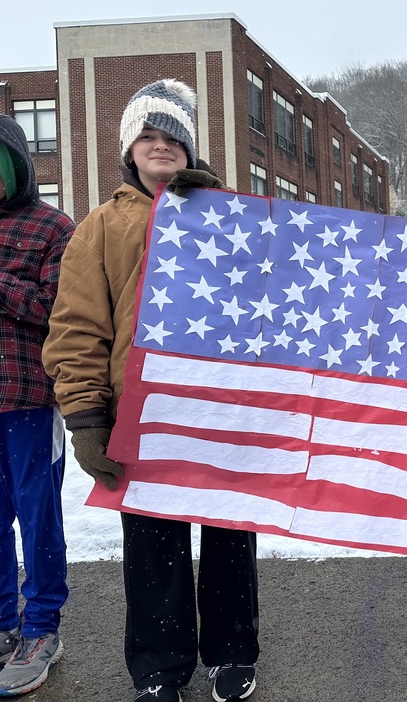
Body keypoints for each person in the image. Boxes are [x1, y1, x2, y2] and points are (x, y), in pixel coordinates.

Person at [42, 80, 260, 702]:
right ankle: (160, 669)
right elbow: (77, 327)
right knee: (152, 548)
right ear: (128, 150)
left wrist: (217, 205)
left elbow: (268, 294)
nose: (160, 147)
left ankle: (232, 653)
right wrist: (86, 418)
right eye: (149, 137)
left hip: (219, 406)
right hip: (140, 413)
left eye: (173, 139)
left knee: (229, 536)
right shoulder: (99, 228)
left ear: (190, 150)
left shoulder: (230, 219)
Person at [0, 115, 75, 696]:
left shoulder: (54, 228)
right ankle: (3, 623)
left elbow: (58, 310)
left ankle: (42, 626)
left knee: (38, 516)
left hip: (28, 402)